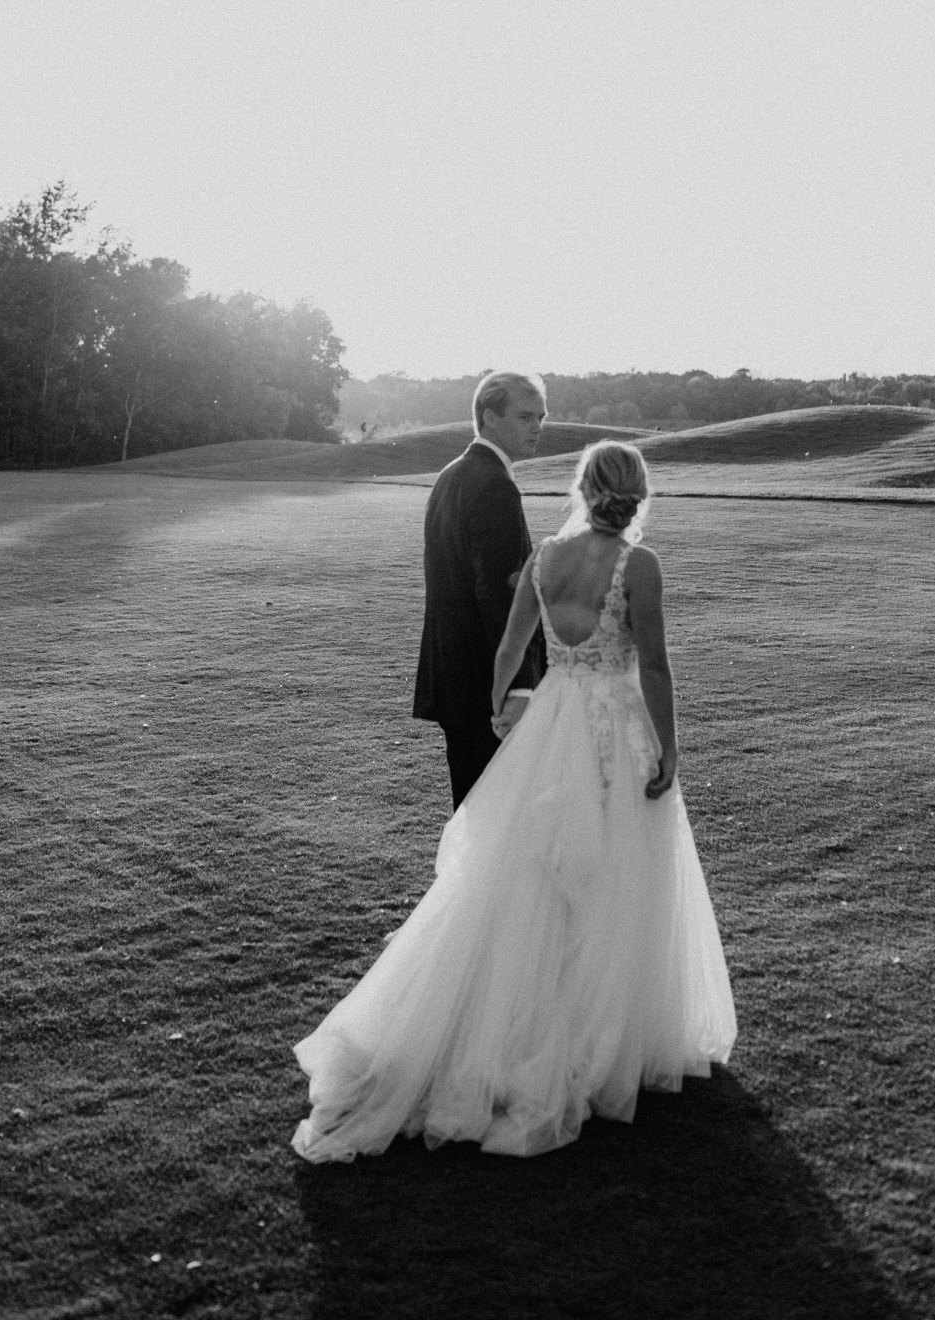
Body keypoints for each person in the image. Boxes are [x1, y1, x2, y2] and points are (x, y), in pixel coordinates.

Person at [292, 440, 736, 1162]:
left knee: (532, 869)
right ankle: (596, 1030)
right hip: (615, 729)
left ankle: (525, 1012)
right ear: (638, 492)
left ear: (582, 488)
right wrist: (670, 748)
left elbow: (510, 645)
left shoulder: (545, 559)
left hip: (552, 721)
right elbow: (653, 665)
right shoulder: (640, 565)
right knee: (617, 870)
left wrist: (502, 705)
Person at [411, 371, 548, 808]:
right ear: (489, 416)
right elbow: (500, 594)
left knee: (474, 817)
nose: (537, 427)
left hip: (455, 679)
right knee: (501, 820)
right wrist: (519, 687)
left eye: (541, 417)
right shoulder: (494, 485)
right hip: (489, 686)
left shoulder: (452, 474)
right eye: (525, 416)